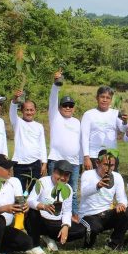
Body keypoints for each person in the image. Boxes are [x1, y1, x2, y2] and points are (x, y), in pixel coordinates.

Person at [26, 160, 87, 253]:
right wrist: (43, 206)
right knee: (32, 212)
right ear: (53, 171)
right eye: (60, 174)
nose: (62, 178)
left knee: (81, 230)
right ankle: (35, 245)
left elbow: (67, 211)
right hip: (41, 219)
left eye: (66, 175)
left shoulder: (68, 189)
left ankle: (49, 237)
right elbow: (30, 200)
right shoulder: (42, 182)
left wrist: (66, 226)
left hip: (55, 222)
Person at [79, 150, 128, 249]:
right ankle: (88, 244)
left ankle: (114, 243)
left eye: (111, 166)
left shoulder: (117, 177)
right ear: (97, 163)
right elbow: (84, 192)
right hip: (89, 215)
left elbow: (123, 198)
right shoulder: (88, 174)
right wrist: (97, 186)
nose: (108, 169)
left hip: (105, 215)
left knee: (126, 212)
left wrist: (121, 204)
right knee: (94, 229)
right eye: (105, 164)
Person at [48, 70, 82, 214]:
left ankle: (73, 217)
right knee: (53, 190)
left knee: (72, 192)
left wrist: (80, 161)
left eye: (70, 106)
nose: (68, 108)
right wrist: (56, 85)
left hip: (74, 163)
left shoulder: (77, 122)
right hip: (56, 160)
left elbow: (80, 142)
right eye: (65, 105)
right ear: (60, 107)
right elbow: (52, 100)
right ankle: (52, 216)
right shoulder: (55, 117)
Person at [80, 86, 128, 171]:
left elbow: (123, 129)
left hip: (111, 156)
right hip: (94, 156)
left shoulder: (115, 113)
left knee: (111, 182)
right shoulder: (88, 114)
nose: (105, 100)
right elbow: (84, 137)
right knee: (94, 183)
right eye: (102, 97)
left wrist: (125, 122)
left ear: (111, 100)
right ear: (97, 98)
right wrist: (86, 157)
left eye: (108, 98)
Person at [9, 91, 47, 193]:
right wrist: (14, 100)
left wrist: (44, 163)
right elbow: (12, 112)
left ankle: (32, 209)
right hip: (20, 164)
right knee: (19, 192)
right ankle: (20, 209)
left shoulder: (39, 126)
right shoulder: (17, 123)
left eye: (31, 110)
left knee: (34, 193)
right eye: (26, 110)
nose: (29, 112)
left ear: (35, 111)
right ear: (22, 110)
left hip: (35, 164)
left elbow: (42, 145)